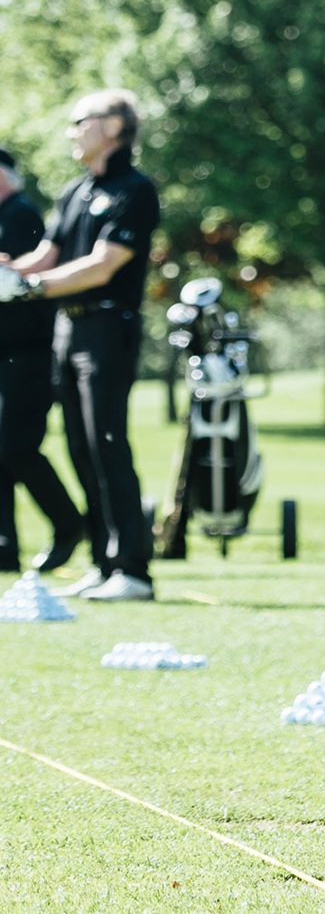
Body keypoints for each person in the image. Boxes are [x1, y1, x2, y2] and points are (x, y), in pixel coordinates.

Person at [0, 91, 161, 602]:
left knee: (107, 443)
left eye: (79, 122)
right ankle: (103, 560)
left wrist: (28, 288)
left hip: (108, 328)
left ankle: (132, 569)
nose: (72, 132)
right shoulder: (74, 191)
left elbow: (102, 264)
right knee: (78, 449)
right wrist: (10, 271)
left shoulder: (135, 189)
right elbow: (47, 255)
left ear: (113, 126)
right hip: (67, 331)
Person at [0, 148, 85, 574]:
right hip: (7, 358)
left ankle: (69, 523)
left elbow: (26, 285)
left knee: (17, 447)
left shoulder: (19, 216)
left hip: (28, 356)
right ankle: (3, 548)